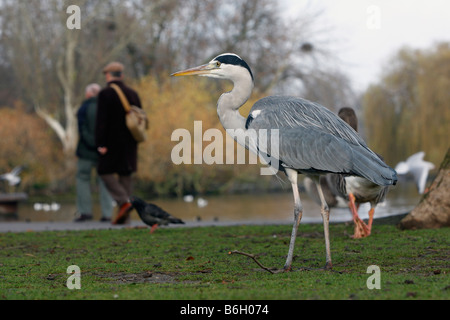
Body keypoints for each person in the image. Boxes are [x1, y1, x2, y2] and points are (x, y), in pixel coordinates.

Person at [95, 62, 143, 224]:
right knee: (125, 175)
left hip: (111, 142)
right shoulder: (133, 93)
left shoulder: (105, 94)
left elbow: (101, 121)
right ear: (121, 75)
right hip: (130, 142)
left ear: (108, 76)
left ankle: (124, 202)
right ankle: (125, 219)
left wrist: (100, 143)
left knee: (104, 171)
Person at [75, 84, 114, 222]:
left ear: (88, 94)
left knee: (83, 179)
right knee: (105, 182)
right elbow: (111, 130)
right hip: (103, 152)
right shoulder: (108, 108)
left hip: (85, 152)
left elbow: (82, 129)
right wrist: (102, 146)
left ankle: (85, 212)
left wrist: (93, 144)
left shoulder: (84, 108)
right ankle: (107, 213)